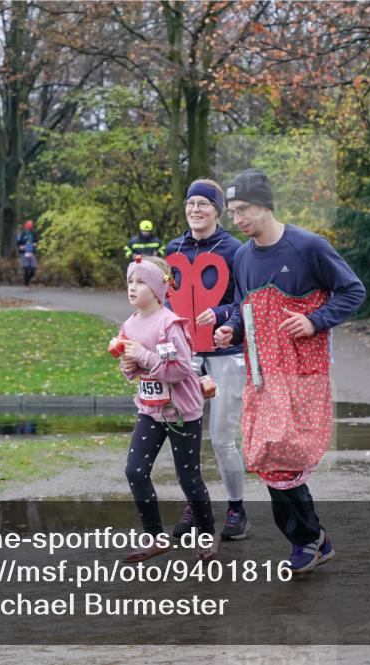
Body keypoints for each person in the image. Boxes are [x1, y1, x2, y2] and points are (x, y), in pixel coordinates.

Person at [214, 168, 365, 573]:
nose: (238, 219)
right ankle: (312, 539)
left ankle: (307, 540)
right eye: (232, 212)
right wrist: (232, 328)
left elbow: (354, 291)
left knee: (283, 454)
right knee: (268, 455)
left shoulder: (309, 246)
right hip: (261, 376)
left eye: (243, 209)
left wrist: (315, 320)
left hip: (302, 373)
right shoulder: (242, 256)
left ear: (266, 205)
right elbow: (245, 307)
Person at [118, 254, 218, 563]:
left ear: (158, 289)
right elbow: (133, 371)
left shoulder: (169, 324)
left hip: (182, 412)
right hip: (150, 410)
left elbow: (180, 370)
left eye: (140, 282)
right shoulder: (129, 324)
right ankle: (154, 536)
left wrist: (144, 357)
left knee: (188, 478)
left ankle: (207, 534)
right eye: (129, 282)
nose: (132, 288)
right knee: (135, 471)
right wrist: (129, 365)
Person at [165, 179, 250, 541]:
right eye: (190, 203)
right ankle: (195, 507)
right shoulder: (174, 249)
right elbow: (166, 300)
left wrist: (221, 318)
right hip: (185, 356)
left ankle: (236, 508)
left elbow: (246, 302)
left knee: (220, 439)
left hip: (224, 355)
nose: (195, 209)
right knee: (184, 436)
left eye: (203, 203)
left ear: (217, 210)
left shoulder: (236, 250)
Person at [16, 220, 38, 291]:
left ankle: (28, 280)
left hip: (31, 252)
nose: (28, 228)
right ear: (25, 227)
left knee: (33, 269)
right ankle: (26, 284)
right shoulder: (21, 234)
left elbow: (36, 241)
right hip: (24, 253)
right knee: (26, 269)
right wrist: (20, 247)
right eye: (28, 227)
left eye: (30, 227)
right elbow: (18, 243)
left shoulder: (33, 233)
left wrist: (35, 244)